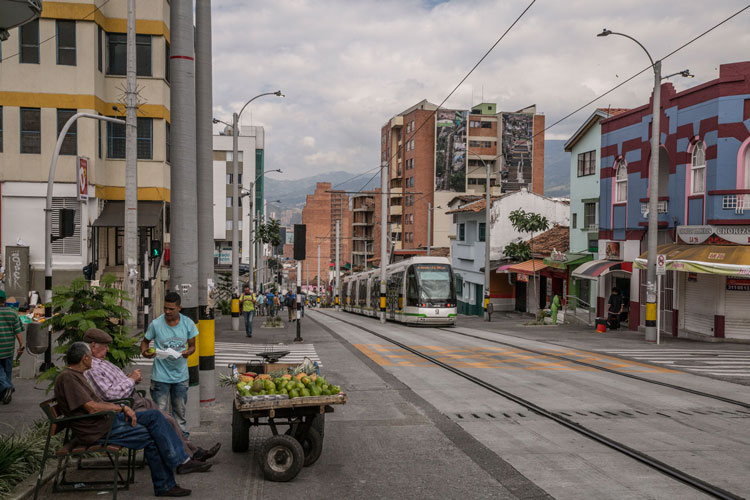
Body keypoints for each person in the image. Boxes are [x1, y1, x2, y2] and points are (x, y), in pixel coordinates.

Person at [54, 342, 211, 497]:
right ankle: (169, 478)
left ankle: (177, 465)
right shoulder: (68, 378)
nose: (92, 360)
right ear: (84, 358)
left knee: (156, 417)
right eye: (90, 357)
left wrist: (121, 408)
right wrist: (120, 408)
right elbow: (92, 407)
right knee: (153, 435)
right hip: (97, 429)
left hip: (105, 421)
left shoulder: (76, 375)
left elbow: (96, 404)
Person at [83, 328, 219, 462]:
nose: (107, 350)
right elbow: (109, 394)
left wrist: (131, 378)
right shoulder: (92, 367)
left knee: (169, 418)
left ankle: (193, 452)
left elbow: (117, 382)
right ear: (93, 346)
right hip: (126, 405)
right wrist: (131, 380)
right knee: (165, 421)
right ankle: (187, 458)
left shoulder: (101, 362)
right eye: (105, 346)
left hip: (133, 398)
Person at [140, 292, 198, 438]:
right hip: (160, 377)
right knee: (160, 414)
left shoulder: (188, 323)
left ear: (179, 308)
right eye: (165, 308)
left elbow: (193, 346)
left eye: (171, 309)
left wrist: (188, 352)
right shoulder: (156, 324)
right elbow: (145, 342)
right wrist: (145, 353)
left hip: (180, 376)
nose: (167, 312)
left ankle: (183, 446)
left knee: (180, 414)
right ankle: (161, 443)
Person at [0, 290, 24, 404]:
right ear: (4, 301)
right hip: (9, 349)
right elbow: (18, 331)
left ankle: (7, 387)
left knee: (0, 374)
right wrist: (21, 344)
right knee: (7, 372)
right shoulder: (12, 313)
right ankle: (5, 395)